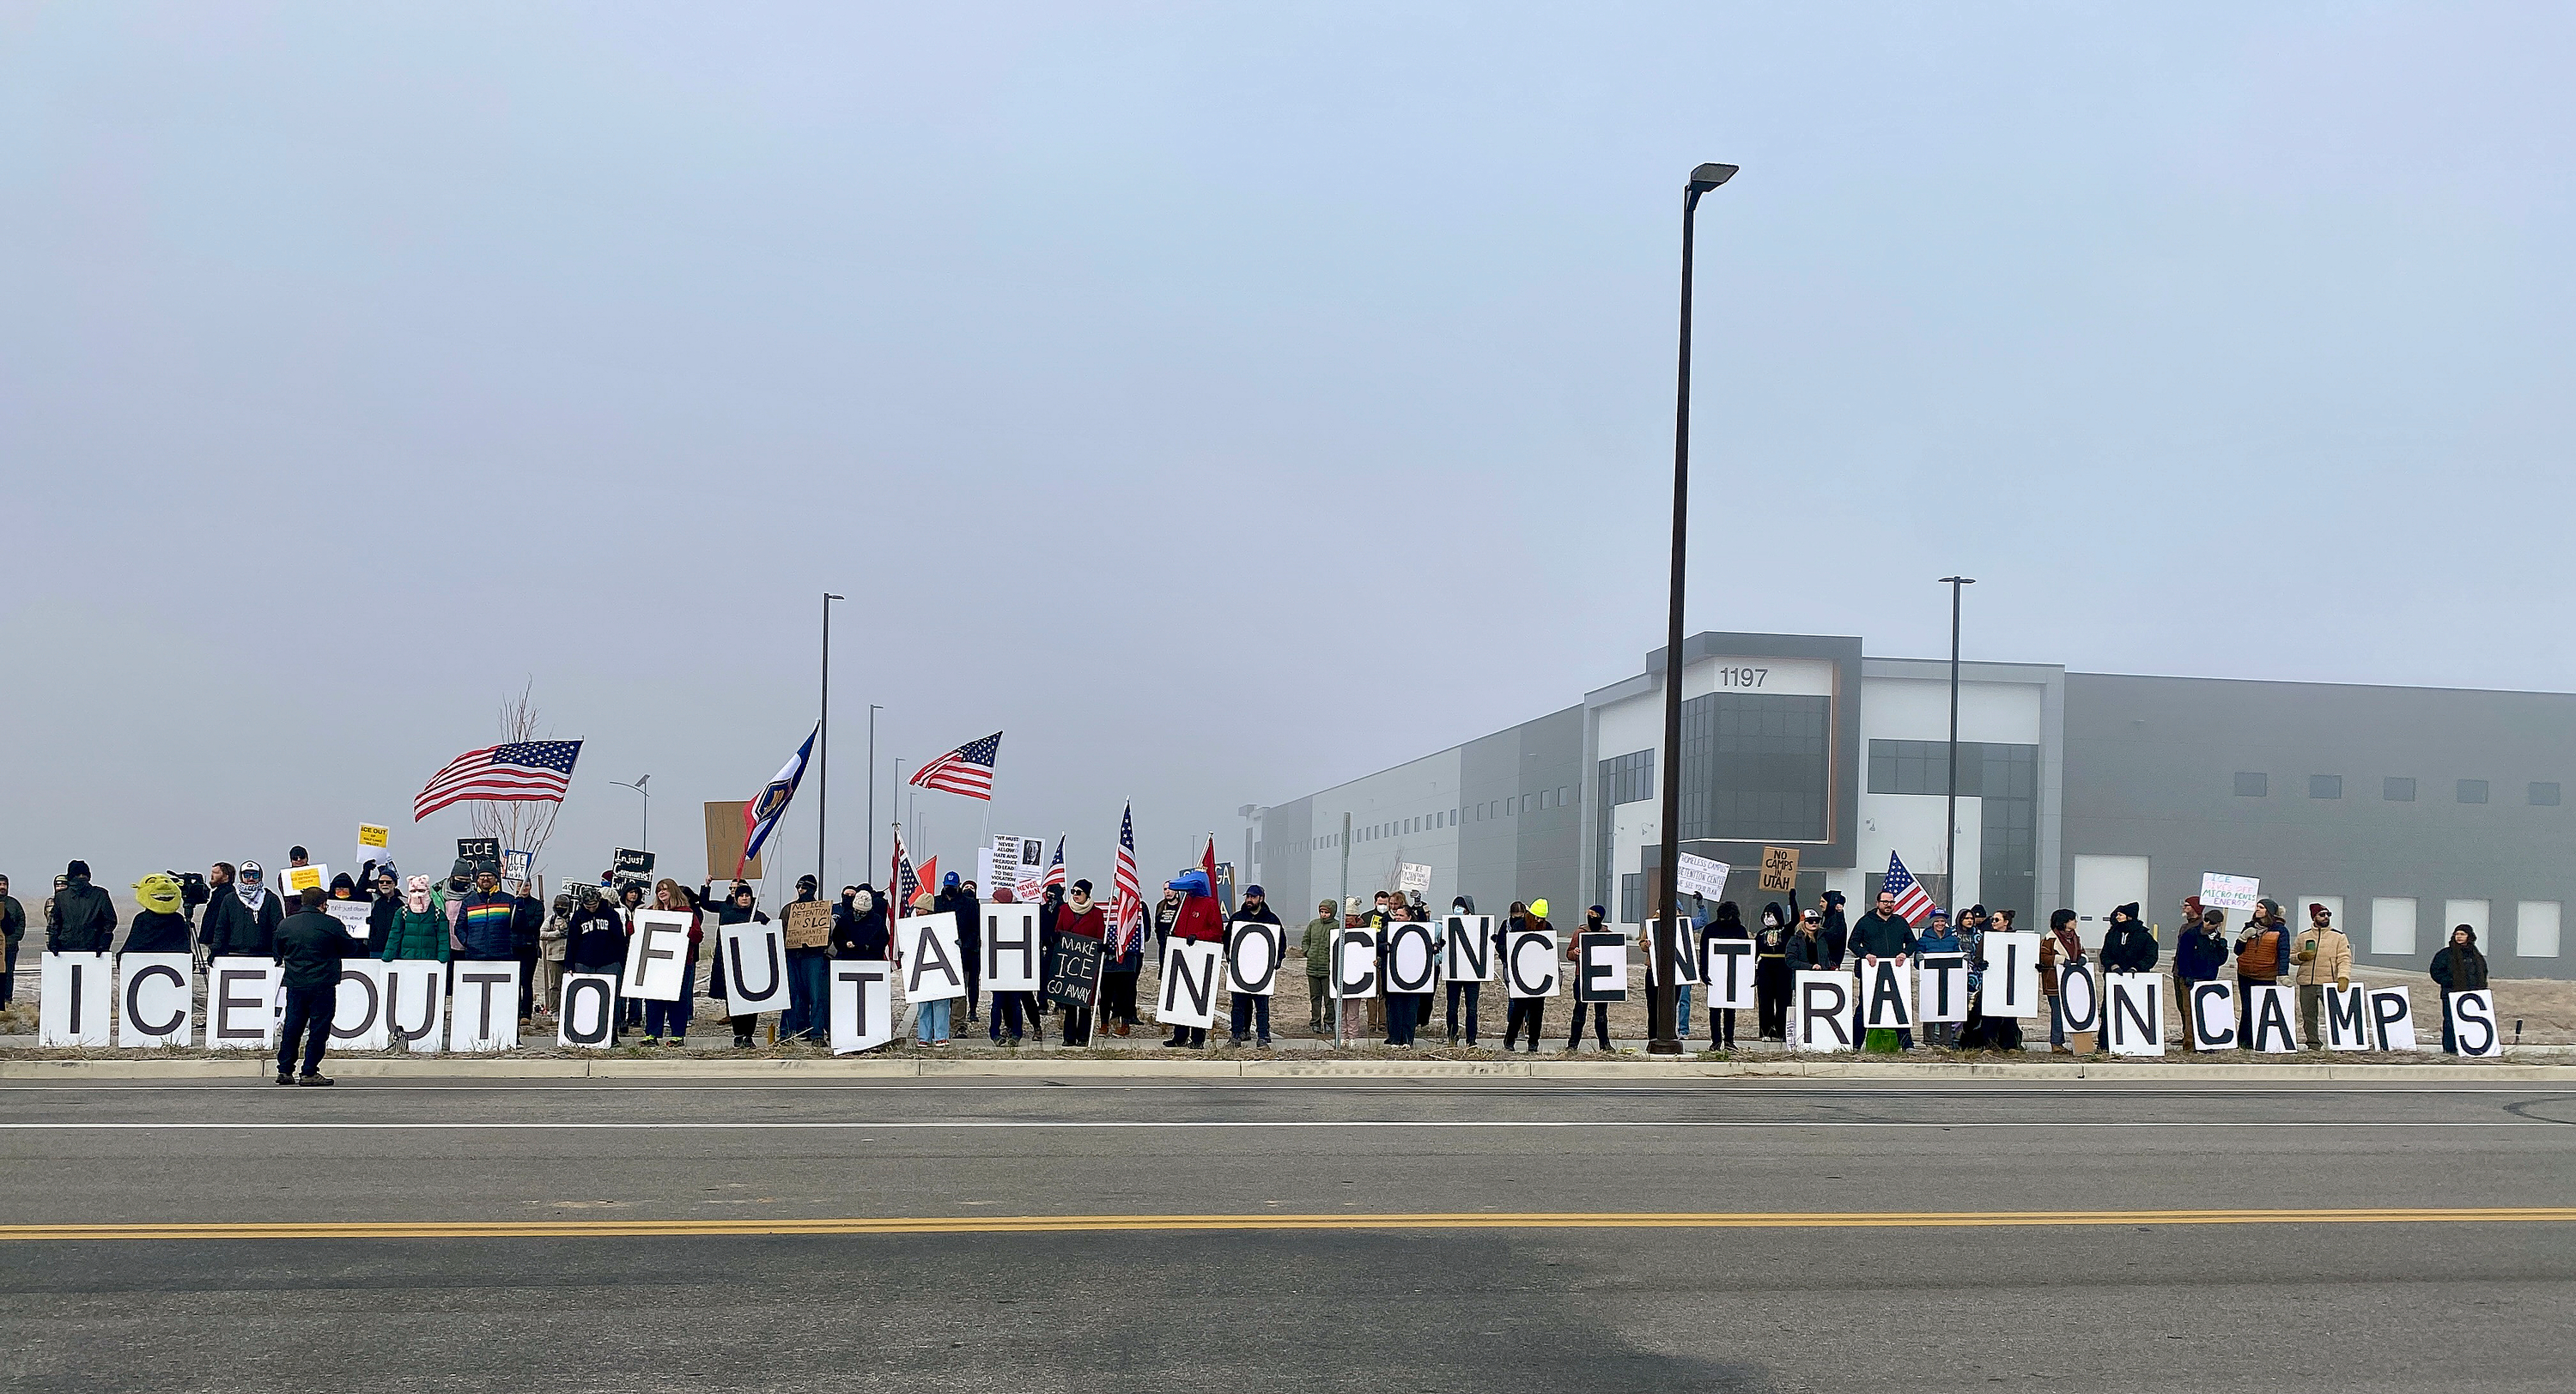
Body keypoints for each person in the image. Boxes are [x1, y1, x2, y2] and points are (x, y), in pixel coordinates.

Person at [273, 887, 360, 1086]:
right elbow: (351, 948)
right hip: (323, 984)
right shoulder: (331, 924)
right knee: (318, 1029)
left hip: (295, 983)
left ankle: (285, 1070)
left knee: (292, 1027)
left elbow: (278, 950)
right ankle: (309, 1071)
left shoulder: (286, 924)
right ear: (323, 904)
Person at [1160, 870, 1225, 1049]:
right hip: (1181, 956)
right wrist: (1173, 936)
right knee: (1180, 998)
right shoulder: (1185, 903)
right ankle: (1180, 1036)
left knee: (1198, 998)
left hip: (1200, 957)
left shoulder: (1209, 904)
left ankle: (1197, 1039)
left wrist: (1198, 936)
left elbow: (1217, 932)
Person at [702, 881, 769, 1048]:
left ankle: (749, 1035)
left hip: (753, 966)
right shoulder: (729, 916)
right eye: (741, 896)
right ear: (736, 898)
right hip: (733, 965)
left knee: (752, 1002)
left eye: (747, 896)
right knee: (735, 1002)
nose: (744, 898)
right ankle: (738, 1034)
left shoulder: (760, 916)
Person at [1850, 888, 1919, 1050]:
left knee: (1899, 1007)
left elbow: (1912, 942)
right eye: (1885, 902)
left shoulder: (1900, 922)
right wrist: (1865, 955)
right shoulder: (1865, 921)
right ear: (1878, 903)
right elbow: (1852, 943)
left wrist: (1904, 953)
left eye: (1891, 902)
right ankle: (1854, 1044)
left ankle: (1907, 1044)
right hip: (1872, 972)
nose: (1888, 905)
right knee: (1865, 1007)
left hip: (1895, 972)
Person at [2290, 902, 2353, 1048]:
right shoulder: (2303, 936)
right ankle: (2313, 1044)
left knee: (2335, 1015)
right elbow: (2292, 958)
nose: (2326, 917)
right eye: (2322, 914)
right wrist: (2301, 956)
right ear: (2314, 917)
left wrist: (2343, 977)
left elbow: (2344, 958)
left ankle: (2339, 1043)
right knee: (2309, 1017)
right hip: (2307, 983)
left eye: (2328, 914)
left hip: (2329, 983)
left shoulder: (2339, 937)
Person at [1228, 884, 1282, 1048]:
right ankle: (1235, 1036)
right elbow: (1227, 938)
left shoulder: (1271, 919)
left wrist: (1278, 959)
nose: (1249, 900)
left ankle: (1263, 1037)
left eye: (1253, 897)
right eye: (1247, 897)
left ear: (1261, 898)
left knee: (1262, 1007)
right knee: (1238, 1006)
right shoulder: (1237, 918)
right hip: (1241, 970)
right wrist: (1229, 956)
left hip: (1261, 971)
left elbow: (1281, 941)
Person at [1054, 880, 1106, 1046]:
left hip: (1087, 965)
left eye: (1079, 892)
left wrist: (1102, 946)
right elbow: (1058, 929)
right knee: (1070, 1002)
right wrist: (1055, 937)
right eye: (1073, 891)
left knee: (1084, 1003)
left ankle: (1083, 1036)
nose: (1075, 895)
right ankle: (1069, 1037)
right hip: (1069, 961)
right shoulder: (1064, 910)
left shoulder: (1096, 913)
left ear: (1087, 894)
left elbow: (1100, 935)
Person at [2233, 898, 2292, 1043]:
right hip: (2244, 974)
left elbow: (2283, 953)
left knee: (2262, 1009)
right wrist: (2243, 937)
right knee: (2247, 1009)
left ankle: (2261, 1041)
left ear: (2269, 911)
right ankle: (2244, 1041)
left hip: (2266, 975)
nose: (2257, 909)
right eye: (2257, 907)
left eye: (2261, 907)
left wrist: (2283, 974)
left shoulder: (2281, 931)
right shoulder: (2249, 927)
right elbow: (2237, 951)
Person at [782, 874, 830, 1044]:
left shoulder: (822, 911)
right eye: (799, 888)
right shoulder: (788, 909)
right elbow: (782, 931)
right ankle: (791, 1033)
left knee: (816, 997)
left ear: (811, 889)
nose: (800, 891)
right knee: (793, 996)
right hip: (793, 958)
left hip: (814, 957)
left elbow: (828, 935)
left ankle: (817, 1034)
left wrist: (816, 942)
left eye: (803, 888)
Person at [202, 860, 283, 960]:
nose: (251, 878)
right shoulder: (230, 899)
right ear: (241, 876)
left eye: (255, 875)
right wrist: (215, 950)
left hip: (264, 955)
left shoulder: (270, 899)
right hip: (234, 953)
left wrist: (278, 951)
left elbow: (277, 929)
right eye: (247, 875)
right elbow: (221, 927)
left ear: (260, 876)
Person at [2428, 924, 2490, 1054]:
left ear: (2469, 936)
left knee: (2471, 1023)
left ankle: (2472, 1048)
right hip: (2451, 994)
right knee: (2450, 1022)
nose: (2459, 937)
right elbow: (2436, 971)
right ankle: (2450, 1049)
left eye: (2462, 934)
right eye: (2457, 934)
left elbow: (2483, 971)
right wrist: (2450, 982)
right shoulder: (2445, 954)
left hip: (2472, 995)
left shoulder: (2476, 954)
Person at [905, 889, 954, 1046]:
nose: (917, 911)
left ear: (928, 909)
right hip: (922, 969)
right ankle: (924, 1037)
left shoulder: (942, 924)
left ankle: (941, 1035)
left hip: (940, 969)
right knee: (924, 1004)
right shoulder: (912, 926)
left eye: (920, 908)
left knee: (941, 1003)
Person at [1498, 900, 1547, 1052]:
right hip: (1521, 975)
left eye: (1541, 918)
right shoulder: (1519, 926)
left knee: (1537, 1011)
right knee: (1519, 1009)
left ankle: (1533, 1042)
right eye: (1536, 917)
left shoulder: (1547, 928)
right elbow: (1510, 949)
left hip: (1539, 976)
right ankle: (1509, 1040)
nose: (1538, 921)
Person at [1564, 905, 1615, 1052]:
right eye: (1589, 913)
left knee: (1601, 1015)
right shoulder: (1579, 932)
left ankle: (1605, 1044)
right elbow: (1569, 954)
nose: (1590, 916)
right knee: (1579, 1013)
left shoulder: (1607, 934)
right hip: (1582, 977)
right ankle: (1573, 1044)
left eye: (1594, 914)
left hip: (1602, 979)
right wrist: (1575, 953)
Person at [934, 871, 982, 1024]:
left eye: (953, 887)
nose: (950, 889)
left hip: (963, 953)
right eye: (948, 887)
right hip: (941, 953)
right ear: (943, 886)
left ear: (958, 886)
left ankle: (958, 1023)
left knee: (960, 990)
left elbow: (976, 928)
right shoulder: (936, 903)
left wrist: (965, 944)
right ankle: (942, 1022)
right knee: (943, 990)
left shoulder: (970, 904)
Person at [1440, 894, 1488, 1047]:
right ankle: (1452, 1037)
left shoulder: (1477, 926)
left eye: (1461, 907)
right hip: (1454, 973)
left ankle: (1471, 1039)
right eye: (1456, 907)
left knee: (1472, 1008)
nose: (1458, 910)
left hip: (1472, 974)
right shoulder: (1447, 926)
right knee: (1452, 1008)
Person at [2039, 908, 2087, 1053]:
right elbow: (2043, 957)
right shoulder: (2050, 939)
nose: (2075, 922)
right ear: (2064, 922)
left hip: (2072, 982)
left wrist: (2083, 958)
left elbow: (2081, 951)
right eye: (2072, 919)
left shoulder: (2075, 938)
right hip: (2054, 983)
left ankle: (2080, 1044)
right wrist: (2059, 960)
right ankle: (2056, 1043)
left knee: (2076, 1012)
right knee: (2058, 1012)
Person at [45, 860, 117, 955]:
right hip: (93, 946)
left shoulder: (61, 896)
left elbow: (55, 923)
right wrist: (103, 944)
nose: (81, 877)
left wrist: (54, 944)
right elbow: (110, 921)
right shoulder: (100, 894)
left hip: (66, 946)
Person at [1704, 901, 1751, 1050]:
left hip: (1733, 974)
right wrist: (1703, 971)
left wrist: (1748, 974)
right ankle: (1716, 1040)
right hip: (1714, 974)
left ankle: (1729, 1040)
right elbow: (1704, 952)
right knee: (1715, 1009)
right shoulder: (1710, 929)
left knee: (1730, 1009)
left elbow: (1746, 956)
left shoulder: (1740, 930)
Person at [1914, 909, 1961, 1048]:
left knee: (1947, 1010)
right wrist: (1918, 957)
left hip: (1948, 980)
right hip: (1930, 980)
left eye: (1942, 921)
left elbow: (1957, 957)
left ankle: (1945, 1042)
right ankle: (1929, 1041)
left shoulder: (1952, 939)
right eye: (1937, 921)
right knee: (1930, 1009)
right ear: (1932, 923)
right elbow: (1918, 963)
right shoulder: (1924, 940)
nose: (1940, 924)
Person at [382, 876, 453, 966]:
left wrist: (442, 959)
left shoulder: (438, 913)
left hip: (430, 961)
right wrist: (387, 957)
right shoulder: (402, 912)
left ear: (428, 891)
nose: (417, 894)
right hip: (407, 960)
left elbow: (443, 938)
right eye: (413, 891)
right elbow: (394, 936)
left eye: (421, 891)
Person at [124, 874, 194, 954]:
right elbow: (184, 948)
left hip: (145, 961)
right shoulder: (178, 919)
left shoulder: (141, 918)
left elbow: (132, 946)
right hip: (173, 962)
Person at [2176, 905, 2229, 1007]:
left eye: (2212, 922)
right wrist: (2187, 975)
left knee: (2204, 1009)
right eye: (2206, 919)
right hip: (2190, 978)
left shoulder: (2217, 939)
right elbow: (2183, 957)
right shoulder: (2191, 934)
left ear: (2218, 924)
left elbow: (2219, 961)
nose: (2207, 924)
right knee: (2189, 1011)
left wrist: (2222, 949)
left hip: (2208, 978)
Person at [1753, 901, 1793, 1039]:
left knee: (1783, 1001)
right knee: (1765, 1001)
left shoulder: (1787, 931)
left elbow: (1794, 919)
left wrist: (1792, 899)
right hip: (1765, 967)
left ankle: (1782, 1031)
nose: (1768, 918)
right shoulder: (1761, 934)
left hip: (1783, 967)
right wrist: (1754, 973)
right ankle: (1766, 1031)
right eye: (1765, 915)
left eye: (1770, 915)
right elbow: (1754, 953)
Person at [509, 879, 547, 1021]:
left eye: (526, 885)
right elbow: (509, 924)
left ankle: (526, 1013)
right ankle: (514, 1010)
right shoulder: (511, 903)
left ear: (531, 886)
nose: (524, 888)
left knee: (526, 981)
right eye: (521, 885)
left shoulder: (537, 905)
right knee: (515, 981)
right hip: (513, 947)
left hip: (529, 947)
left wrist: (521, 916)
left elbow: (534, 925)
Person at [1303, 898, 1337, 1034]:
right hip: (1312, 968)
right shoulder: (1313, 925)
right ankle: (1315, 1022)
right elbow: (1306, 939)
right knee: (1315, 998)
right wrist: (1307, 951)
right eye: (1321, 911)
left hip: (1328, 970)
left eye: (1326, 912)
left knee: (1329, 998)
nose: (1323, 914)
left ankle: (1329, 1022)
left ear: (1332, 912)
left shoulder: (1337, 926)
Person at [537, 891, 574, 1013]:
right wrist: (557, 934)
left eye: (563, 906)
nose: (561, 908)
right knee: (554, 985)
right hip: (554, 956)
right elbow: (541, 934)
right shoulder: (551, 920)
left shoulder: (573, 919)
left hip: (570, 956)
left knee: (569, 984)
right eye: (558, 906)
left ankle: (568, 1009)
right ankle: (554, 1010)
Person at [364, 868, 402, 955]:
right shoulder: (373, 901)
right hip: (376, 949)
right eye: (381, 882)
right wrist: (366, 871)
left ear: (394, 884)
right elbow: (358, 892)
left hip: (396, 949)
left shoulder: (403, 902)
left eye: (388, 882)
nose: (384, 884)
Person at [0, 874, 22, 1004]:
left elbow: (21, 922)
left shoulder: (13, 903)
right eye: (0, 884)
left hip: (10, 947)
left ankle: (7, 999)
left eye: (4, 884)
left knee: (8, 974)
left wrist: (13, 939)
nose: (2, 887)